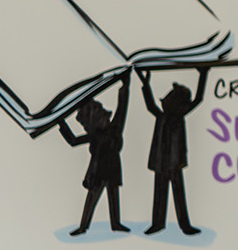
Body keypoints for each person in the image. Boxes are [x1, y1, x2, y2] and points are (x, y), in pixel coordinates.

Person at [57, 76, 131, 234]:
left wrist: (125, 87)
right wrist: (60, 122)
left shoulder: (115, 128)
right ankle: (84, 226)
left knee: (113, 197)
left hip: (111, 169)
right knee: (92, 198)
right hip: (97, 172)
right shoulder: (96, 135)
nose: (106, 118)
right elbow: (73, 140)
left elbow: (122, 107)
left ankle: (115, 223)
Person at [139, 66, 207, 235]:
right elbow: (150, 106)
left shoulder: (178, 115)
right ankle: (158, 223)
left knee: (177, 194)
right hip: (161, 162)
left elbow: (198, 99)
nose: (164, 102)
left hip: (174, 163)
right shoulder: (162, 116)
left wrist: (203, 74)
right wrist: (145, 85)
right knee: (160, 194)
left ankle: (184, 225)